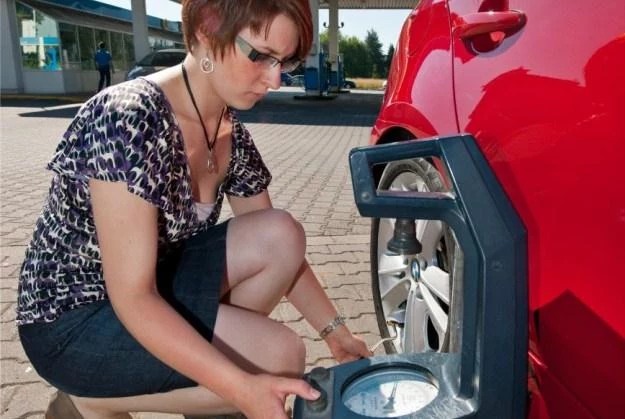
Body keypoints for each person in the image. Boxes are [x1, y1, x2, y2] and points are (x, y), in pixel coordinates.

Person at [16, 1, 371, 418]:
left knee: (280, 234)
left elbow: (282, 255)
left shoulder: (228, 131)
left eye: (284, 62)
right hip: (72, 322)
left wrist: (338, 336)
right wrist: (243, 386)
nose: (275, 79)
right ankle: (87, 399)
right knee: (278, 355)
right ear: (207, 28)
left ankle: (207, 395)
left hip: (150, 288)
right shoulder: (127, 118)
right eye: (260, 55)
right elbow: (132, 298)